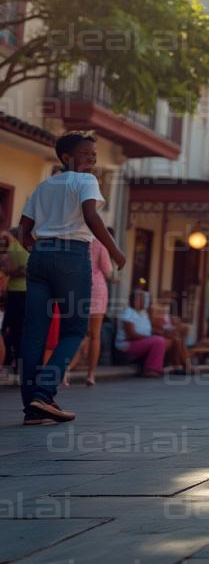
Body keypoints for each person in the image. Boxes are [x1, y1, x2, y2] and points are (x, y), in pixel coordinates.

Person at [18, 131, 126, 424]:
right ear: (67, 158)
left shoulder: (43, 186)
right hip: (72, 256)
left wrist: (38, 249)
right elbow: (91, 217)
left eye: (94, 154)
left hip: (40, 257)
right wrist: (115, 251)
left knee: (34, 334)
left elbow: (23, 230)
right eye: (85, 154)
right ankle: (44, 393)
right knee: (75, 330)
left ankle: (32, 407)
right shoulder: (86, 181)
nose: (92, 158)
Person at [115, 289, 166, 377]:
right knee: (158, 341)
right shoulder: (128, 313)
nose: (145, 302)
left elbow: (148, 330)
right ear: (136, 301)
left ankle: (167, 366)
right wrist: (149, 338)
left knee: (168, 340)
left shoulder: (143, 313)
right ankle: (150, 369)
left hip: (140, 342)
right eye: (143, 299)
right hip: (127, 344)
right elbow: (131, 334)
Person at [1, 226, 29, 373]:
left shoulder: (15, 250)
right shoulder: (20, 249)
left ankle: (9, 361)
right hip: (21, 293)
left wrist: (9, 272)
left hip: (15, 293)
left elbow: (24, 270)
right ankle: (16, 364)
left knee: (9, 328)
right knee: (17, 330)